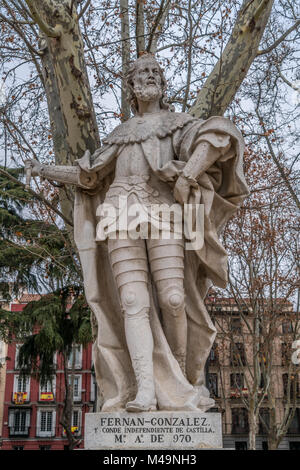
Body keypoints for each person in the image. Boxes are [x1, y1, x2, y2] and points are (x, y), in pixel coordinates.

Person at [26, 53, 248, 412]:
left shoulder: (179, 123)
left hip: (164, 215)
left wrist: (189, 173)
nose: (149, 76)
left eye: (155, 71)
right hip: (119, 215)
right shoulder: (121, 133)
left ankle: (177, 380)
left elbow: (219, 135)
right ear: (130, 85)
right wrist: (44, 169)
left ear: (162, 82)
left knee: (174, 298)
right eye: (141, 72)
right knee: (132, 302)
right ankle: (145, 389)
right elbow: (89, 175)